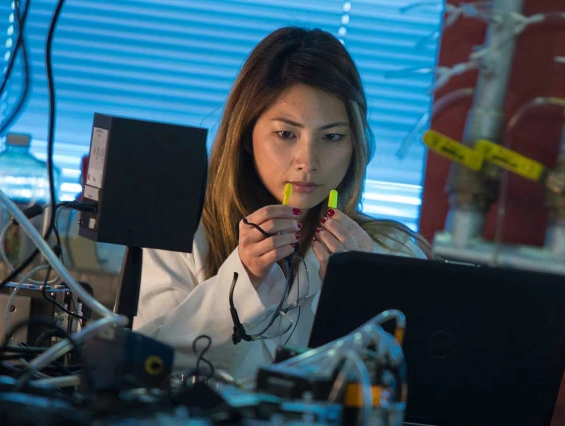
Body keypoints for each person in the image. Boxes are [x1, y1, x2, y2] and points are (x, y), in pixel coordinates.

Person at [134, 26, 430, 380]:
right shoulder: (178, 229)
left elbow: (400, 391)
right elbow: (145, 363)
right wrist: (243, 279)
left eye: (332, 137)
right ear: (246, 135)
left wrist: (353, 298)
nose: (308, 161)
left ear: (356, 146)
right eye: (286, 134)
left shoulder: (390, 252)